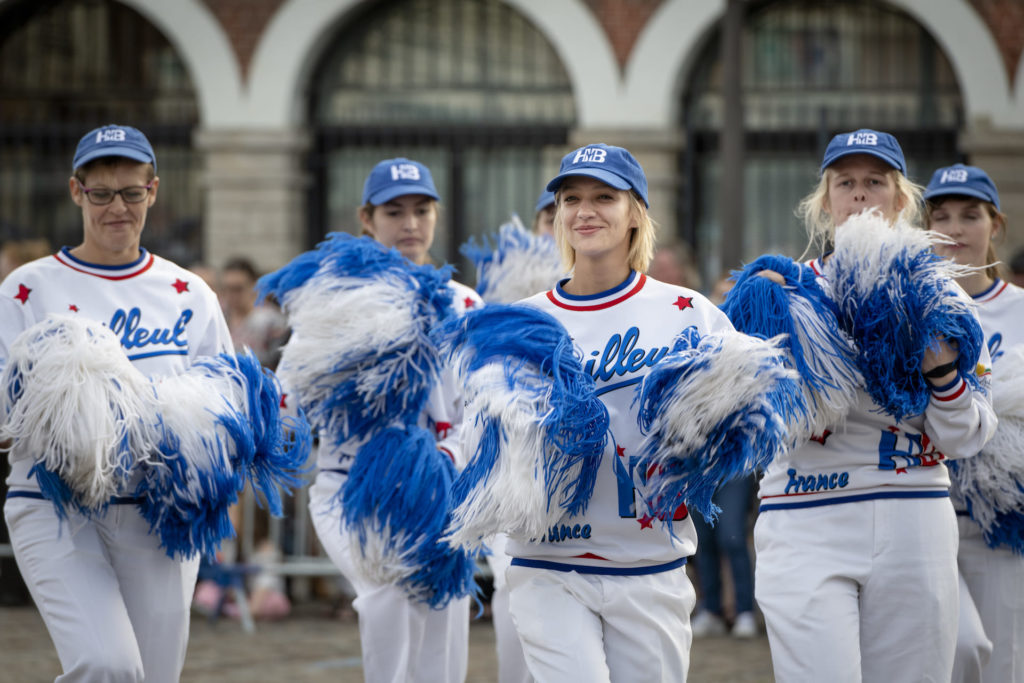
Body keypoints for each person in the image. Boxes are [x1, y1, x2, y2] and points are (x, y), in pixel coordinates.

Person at [751, 131, 996, 680]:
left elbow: (968, 438)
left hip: (913, 514)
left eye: (875, 182)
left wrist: (941, 373)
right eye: (846, 183)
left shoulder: (944, 294)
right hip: (804, 513)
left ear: (902, 200)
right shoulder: (784, 295)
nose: (860, 195)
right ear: (825, 201)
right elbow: (749, 429)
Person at [0, 124, 233, 680]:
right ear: (76, 191)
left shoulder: (190, 291)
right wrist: (75, 418)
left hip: (158, 510)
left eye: (131, 192)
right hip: (53, 501)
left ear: (153, 190)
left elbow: (226, 397)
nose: (116, 208)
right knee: (105, 665)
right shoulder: (26, 288)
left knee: (150, 675)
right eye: (101, 193)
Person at [505, 143, 736, 681]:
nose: (585, 211)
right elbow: (488, 443)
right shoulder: (522, 322)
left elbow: (736, 432)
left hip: (650, 565)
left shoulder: (690, 313)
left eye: (604, 197)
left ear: (635, 213)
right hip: (548, 564)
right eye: (571, 198)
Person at [306, 157, 480, 683]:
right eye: (394, 211)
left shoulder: (464, 302)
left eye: (421, 209)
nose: (409, 223)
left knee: (443, 624)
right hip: (352, 489)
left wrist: (447, 458)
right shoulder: (338, 301)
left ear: (437, 215)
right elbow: (302, 392)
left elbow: (481, 408)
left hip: (441, 491)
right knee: (385, 592)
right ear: (366, 217)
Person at [924, 163, 1024, 683]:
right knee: (956, 653)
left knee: (1004, 664)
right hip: (925, 512)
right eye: (941, 217)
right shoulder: (912, 309)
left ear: (995, 225)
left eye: (971, 215)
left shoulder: (1020, 310)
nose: (956, 229)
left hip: (1003, 522)